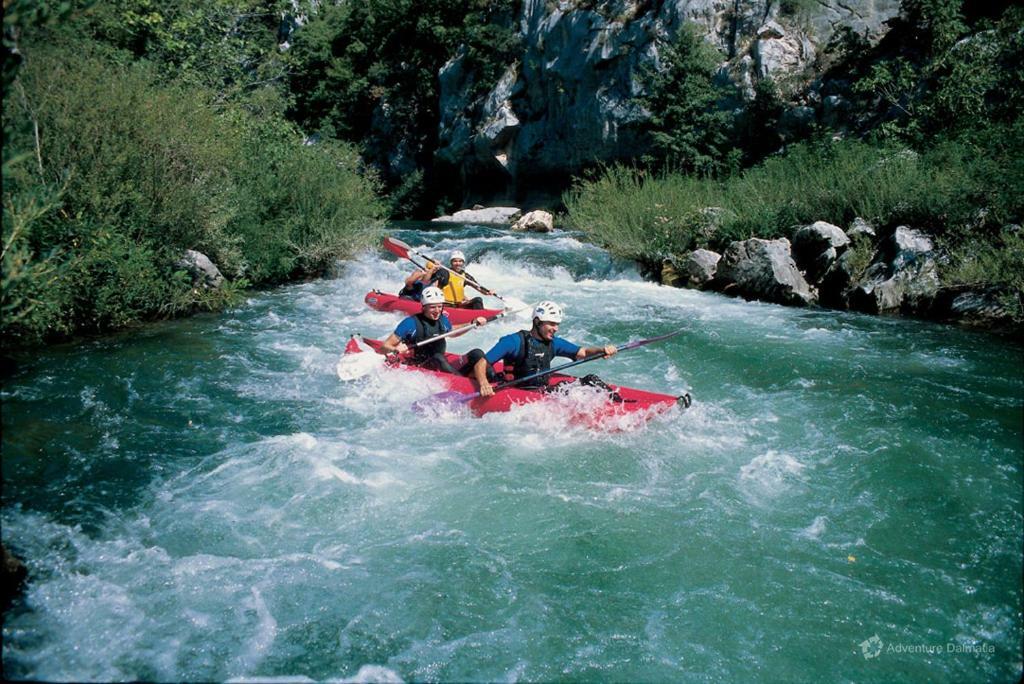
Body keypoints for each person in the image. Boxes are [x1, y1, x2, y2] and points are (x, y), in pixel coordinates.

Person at [467, 300, 616, 397]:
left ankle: (618, 403)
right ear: (537, 322)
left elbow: (582, 352)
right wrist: (484, 384)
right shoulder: (512, 342)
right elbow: (481, 364)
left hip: (542, 391)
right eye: (551, 324)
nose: (556, 328)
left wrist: (601, 350)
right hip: (518, 392)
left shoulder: (554, 343)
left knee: (591, 380)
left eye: (557, 324)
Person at [380, 287, 487, 373]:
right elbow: (384, 347)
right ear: (424, 307)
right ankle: (463, 383)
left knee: (477, 353)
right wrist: (396, 350)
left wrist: (471, 324)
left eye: (440, 307)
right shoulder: (410, 323)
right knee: (438, 357)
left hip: (441, 363)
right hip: (421, 365)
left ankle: (492, 380)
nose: (437, 311)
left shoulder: (442, 319)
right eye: (432, 307)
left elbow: (453, 333)